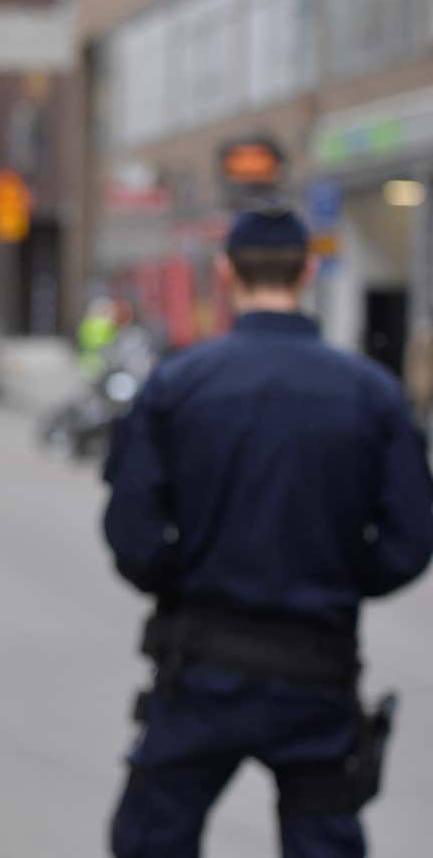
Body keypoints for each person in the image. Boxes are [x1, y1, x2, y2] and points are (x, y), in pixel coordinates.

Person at [103, 207, 433, 858]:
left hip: (201, 667)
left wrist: (182, 578)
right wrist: (343, 575)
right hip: (319, 668)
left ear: (226, 273)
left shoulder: (178, 384)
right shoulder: (371, 393)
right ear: (309, 271)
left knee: (152, 840)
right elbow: (411, 539)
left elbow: (132, 534)